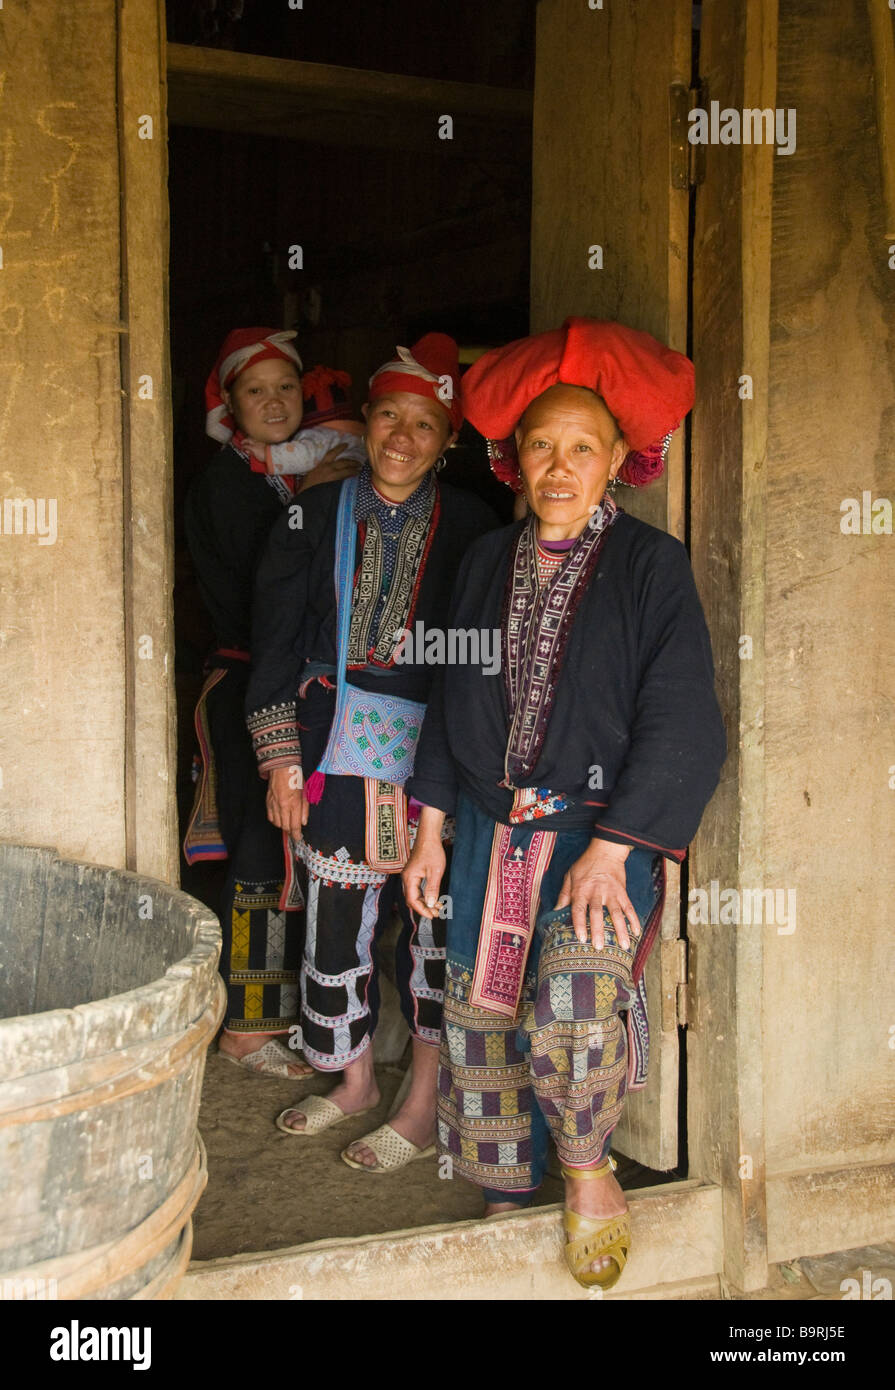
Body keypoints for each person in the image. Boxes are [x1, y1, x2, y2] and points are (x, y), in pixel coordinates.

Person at [402, 317, 726, 1289]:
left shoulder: (649, 566)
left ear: (617, 460)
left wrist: (616, 847)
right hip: (487, 829)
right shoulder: (482, 561)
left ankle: (588, 1172)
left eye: (581, 447)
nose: (558, 464)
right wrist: (427, 829)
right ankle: (505, 1186)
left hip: (595, 837)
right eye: (540, 444)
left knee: (572, 1008)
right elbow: (445, 694)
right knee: (479, 1010)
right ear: (511, 460)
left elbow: (682, 719)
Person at [246, 333, 499, 1170]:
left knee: (430, 925)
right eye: (388, 416)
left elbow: (478, 651)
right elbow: (275, 640)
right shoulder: (312, 515)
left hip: (438, 752)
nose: (401, 438)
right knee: (336, 915)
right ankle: (352, 1080)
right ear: (367, 423)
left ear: (447, 438)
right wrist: (282, 757)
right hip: (331, 744)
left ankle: (422, 1104)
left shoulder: (475, 527)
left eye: (422, 425)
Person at [184, 327, 362, 1079]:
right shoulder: (231, 486)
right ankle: (248, 1027)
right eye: (255, 391)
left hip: (300, 688)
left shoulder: (284, 474)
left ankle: (299, 1008)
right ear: (229, 407)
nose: (273, 402)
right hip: (250, 685)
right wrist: (318, 498)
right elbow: (267, 593)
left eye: (285, 387)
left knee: (304, 845)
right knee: (260, 848)